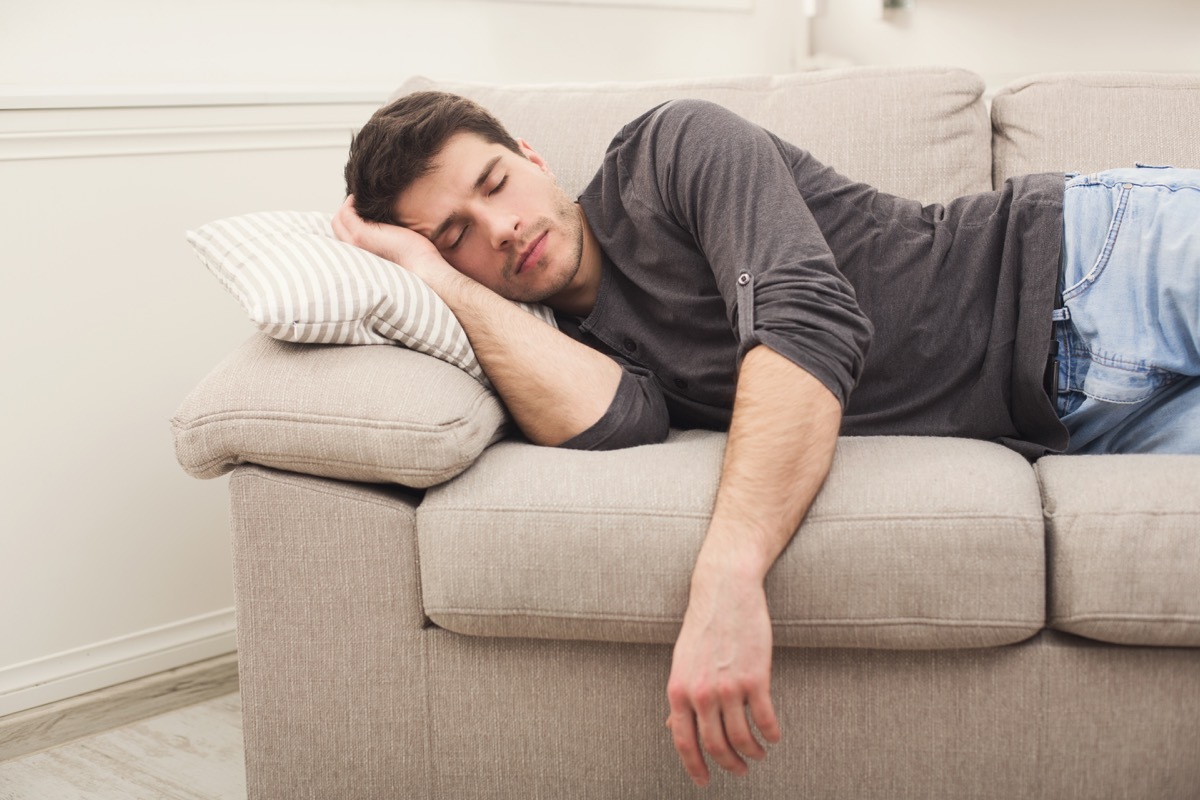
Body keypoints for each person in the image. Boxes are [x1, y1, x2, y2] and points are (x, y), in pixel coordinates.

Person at [334, 90, 1200, 786]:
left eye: (494, 186)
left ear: (533, 158)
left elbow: (809, 320)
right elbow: (613, 424)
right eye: (457, 236)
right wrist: (437, 278)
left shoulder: (669, 151)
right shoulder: (564, 351)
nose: (501, 229)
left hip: (1102, 256)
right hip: (1085, 420)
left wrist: (727, 578)